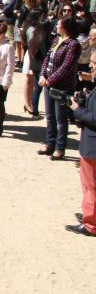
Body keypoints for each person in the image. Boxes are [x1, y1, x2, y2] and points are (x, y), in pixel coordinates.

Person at [38, 16, 81, 160]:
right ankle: (50, 143)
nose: (56, 26)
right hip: (48, 84)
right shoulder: (57, 40)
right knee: (50, 117)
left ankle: (60, 147)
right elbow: (47, 59)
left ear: (66, 27)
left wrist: (49, 80)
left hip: (62, 87)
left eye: (58, 24)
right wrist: (43, 75)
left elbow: (66, 67)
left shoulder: (73, 44)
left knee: (61, 119)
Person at [67, 51, 96, 237]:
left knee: (91, 185)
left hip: (93, 146)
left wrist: (77, 111)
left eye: (94, 63)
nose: (92, 66)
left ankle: (90, 224)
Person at [21, 10, 48, 116]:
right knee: (30, 81)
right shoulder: (32, 30)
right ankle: (29, 104)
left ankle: (29, 104)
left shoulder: (27, 28)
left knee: (31, 81)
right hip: (34, 55)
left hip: (30, 54)